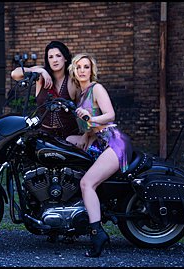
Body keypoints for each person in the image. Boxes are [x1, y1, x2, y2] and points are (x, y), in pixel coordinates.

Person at [68, 53, 132, 258]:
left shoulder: (96, 88)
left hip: (113, 142)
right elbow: (87, 130)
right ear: (74, 71)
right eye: (78, 67)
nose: (82, 71)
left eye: (86, 67)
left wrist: (90, 117)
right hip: (97, 141)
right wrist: (82, 138)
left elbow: (110, 115)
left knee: (87, 183)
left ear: (91, 70)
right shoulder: (81, 93)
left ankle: (97, 233)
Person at [10, 41, 83, 146]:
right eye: (51, 57)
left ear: (65, 58)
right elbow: (15, 74)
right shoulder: (40, 76)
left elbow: (80, 109)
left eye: (58, 56)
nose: (55, 60)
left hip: (70, 136)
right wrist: (41, 70)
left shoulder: (73, 80)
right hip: (46, 136)